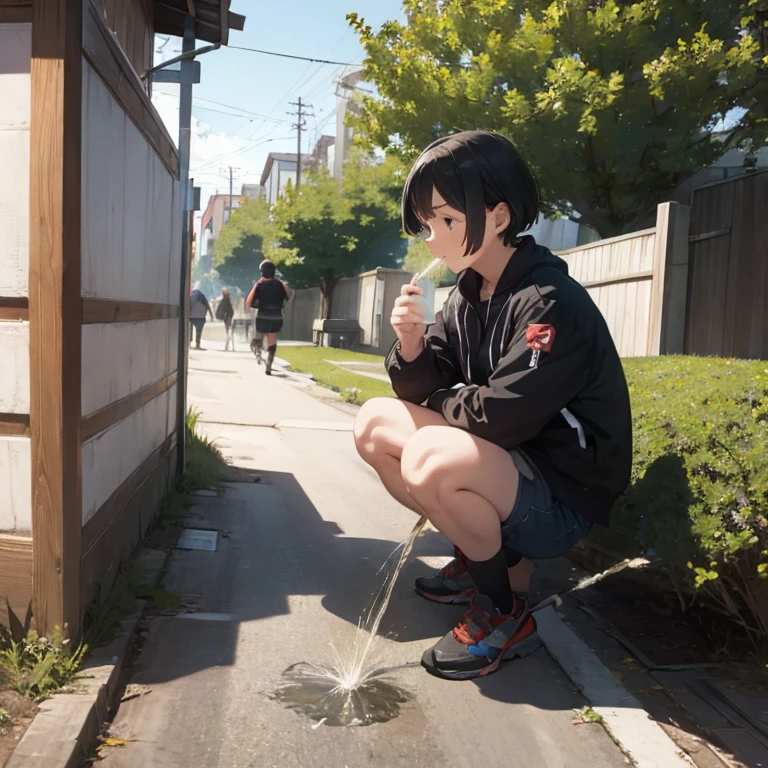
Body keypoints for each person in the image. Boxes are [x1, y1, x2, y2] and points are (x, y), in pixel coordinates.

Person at [353, 131, 632, 681]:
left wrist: (441, 399)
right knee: (374, 423)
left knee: (434, 455)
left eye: (445, 222)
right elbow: (425, 387)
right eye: (426, 224)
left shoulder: (548, 302)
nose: (432, 239)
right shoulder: (467, 296)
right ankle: (485, 558)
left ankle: (503, 609)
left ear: (498, 215)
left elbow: (504, 413)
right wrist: (410, 344)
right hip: (510, 471)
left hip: (561, 496)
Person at [246, 260, 291, 375]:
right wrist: (280, 282)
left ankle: (258, 351)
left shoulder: (260, 285)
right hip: (276, 316)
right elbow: (288, 295)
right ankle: (269, 364)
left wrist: (256, 285)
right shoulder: (280, 285)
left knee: (258, 338)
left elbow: (249, 301)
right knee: (272, 339)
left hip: (263, 316)